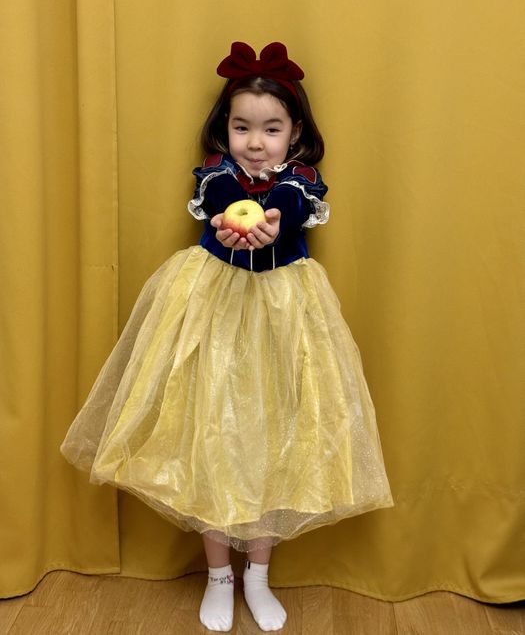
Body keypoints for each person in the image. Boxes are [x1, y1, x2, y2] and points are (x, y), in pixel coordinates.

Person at [61, 41, 393, 632]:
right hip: (210, 315)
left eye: (271, 128)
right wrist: (229, 216)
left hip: (285, 317)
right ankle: (219, 577)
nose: (256, 142)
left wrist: (273, 223)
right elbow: (219, 197)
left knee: (275, 442)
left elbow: (290, 205)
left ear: (295, 133)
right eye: (243, 127)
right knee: (209, 438)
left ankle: (258, 576)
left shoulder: (301, 182)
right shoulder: (216, 175)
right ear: (225, 129)